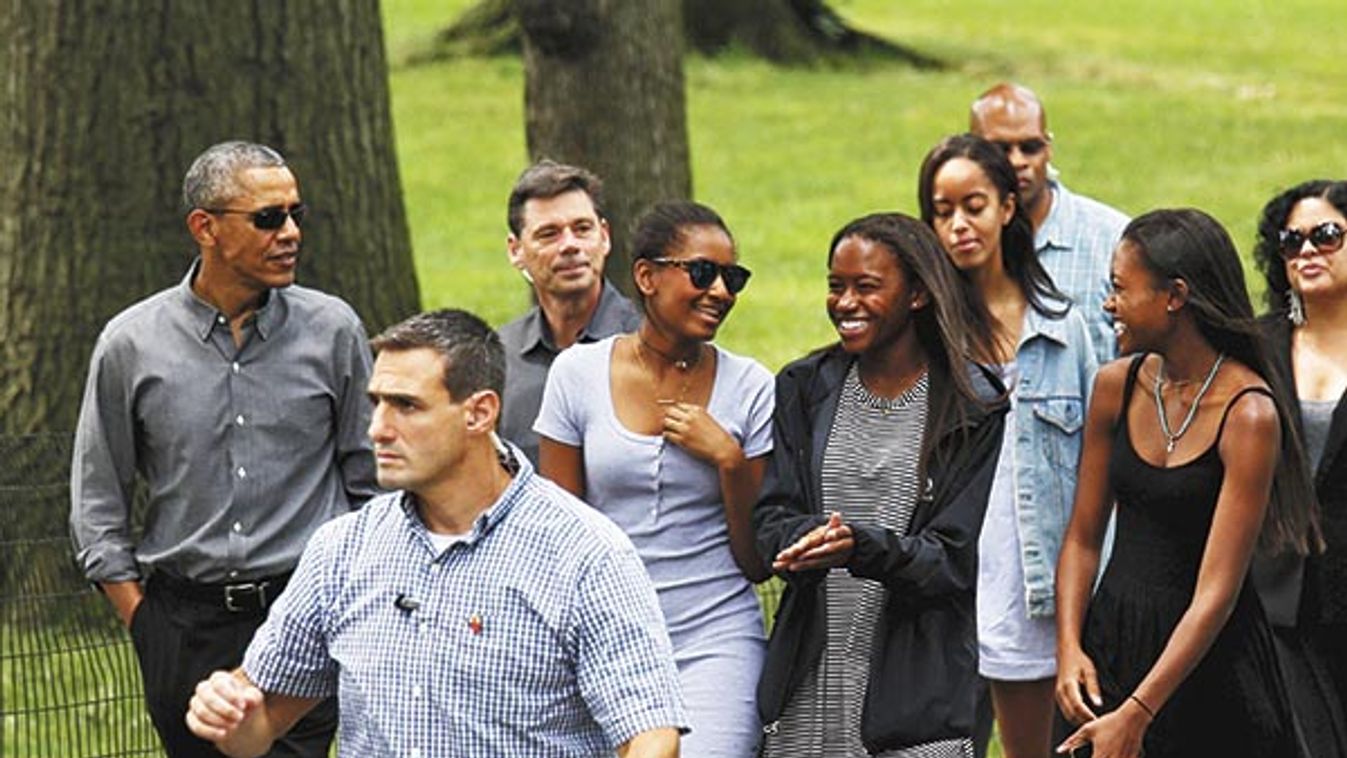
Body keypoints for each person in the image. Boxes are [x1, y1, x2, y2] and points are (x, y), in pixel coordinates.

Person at [184, 309, 687, 757]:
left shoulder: (585, 552)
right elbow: (261, 721)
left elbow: (651, 736)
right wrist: (231, 715)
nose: (377, 428)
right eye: (376, 403)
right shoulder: (343, 549)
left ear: (479, 412)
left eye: (406, 405)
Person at [69, 140, 375, 756]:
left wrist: (344, 602)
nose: (289, 232)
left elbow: (370, 481)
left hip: (302, 613)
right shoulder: (131, 345)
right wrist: (145, 624)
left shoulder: (334, 331)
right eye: (267, 218)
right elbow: (97, 501)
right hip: (183, 627)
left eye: (295, 214)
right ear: (204, 228)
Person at [1055, 208, 1317, 757]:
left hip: (1206, 665)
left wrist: (1139, 712)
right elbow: (1081, 538)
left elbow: (1216, 591)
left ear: (1174, 296)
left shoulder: (1248, 414)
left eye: (1120, 290)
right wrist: (1069, 650)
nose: (1109, 305)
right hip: (1112, 649)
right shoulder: (1114, 386)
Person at [755, 212, 1008, 756]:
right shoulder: (804, 387)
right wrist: (804, 542)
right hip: (808, 682)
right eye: (835, 286)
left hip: (916, 697)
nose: (845, 303)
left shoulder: (974, 407)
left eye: (866, 287)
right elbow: (771, 519)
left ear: (917, 294)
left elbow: (955, 560)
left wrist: (861, 547)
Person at [535, 201, 772, 757]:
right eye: (702, 272)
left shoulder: (752, 387)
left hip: (715, 633)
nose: (720, 292)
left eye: (732, 278)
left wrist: (730, 461)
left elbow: (755, 560)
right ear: (646, 276)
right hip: (604, 633)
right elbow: (560, 535)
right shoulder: (577, 374)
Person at [918, 134, 1097, 758]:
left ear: (1007, 209)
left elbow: (1092, 473)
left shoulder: (1061, 329)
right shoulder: (924, 337)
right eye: (943, 212)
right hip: (949, 585)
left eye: (974, 205)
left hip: (1034, 585)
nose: (960, 225)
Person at [1252, 180, 1347, 758]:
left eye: (1327, 235)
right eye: (1291, 242)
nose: (1307, 251)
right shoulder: (1257, 347)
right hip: (1272, 593)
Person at [970, 82, 1129, 366]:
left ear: (1049, 149)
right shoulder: (953, 243)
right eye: (1000, 148)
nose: (1017, 161)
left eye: (1030, 147)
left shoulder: (1113, 241)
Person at [497, 159, 642, 465]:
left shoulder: (653, 343)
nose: (570, 245)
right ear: (516, 250)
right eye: (549, 234)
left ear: (604, 237)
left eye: (582, 229)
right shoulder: (498, 357)